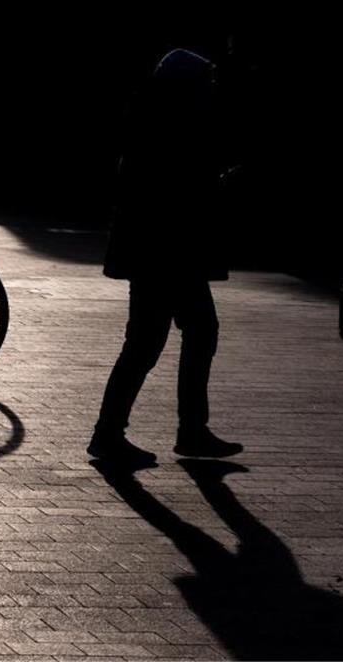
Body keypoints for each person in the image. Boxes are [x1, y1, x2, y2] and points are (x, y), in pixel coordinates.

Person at [88, 48, 244, 465]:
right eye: (204, 84)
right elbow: (175, 193)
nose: (210, 91)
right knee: (154, 342)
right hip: (166, 255)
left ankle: (179, 429)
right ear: (185, 86)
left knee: (173, 337)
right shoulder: (169, 126)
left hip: (164, 254)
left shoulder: (156, 119)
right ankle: (121, 433)